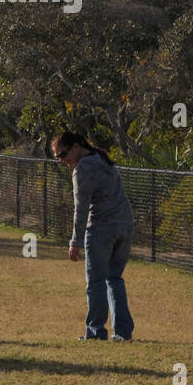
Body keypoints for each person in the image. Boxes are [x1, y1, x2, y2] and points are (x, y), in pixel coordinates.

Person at [53, 131, 135, 341]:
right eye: (57, 157)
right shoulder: (103, 160)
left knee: (96, 281)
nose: (62, 160)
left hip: (101, 228)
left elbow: (80, 209)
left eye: (62, 154)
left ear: (76, 147)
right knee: (114, 278)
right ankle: (123, 333)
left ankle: (96, 331)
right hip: (124, 225)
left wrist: (75, 241)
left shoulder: (83, 168)